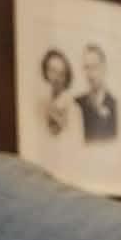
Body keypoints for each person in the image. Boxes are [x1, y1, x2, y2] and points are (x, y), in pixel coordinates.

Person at [29, 49, 84, 179]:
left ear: (66, 76)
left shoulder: (74, 109)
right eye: (52, 71)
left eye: (61, 73)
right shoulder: (40, 106)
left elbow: (76, 149)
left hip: (65, 171)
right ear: (46, 72)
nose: (56, 78)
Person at [76, 44, 118, 144]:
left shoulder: (115, 104)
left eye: (94, 67)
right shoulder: (76, 104)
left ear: (104, 68)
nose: (90, 74)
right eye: (86, 67)